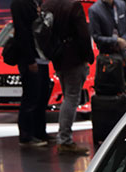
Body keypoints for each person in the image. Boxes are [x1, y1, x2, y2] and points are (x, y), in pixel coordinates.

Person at [44, 0, 94, 155]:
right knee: (71, 98)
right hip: (74, 58)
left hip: (58, 58)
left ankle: (63, 138)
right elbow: (83, 34)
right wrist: (89, 57)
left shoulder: (48, 5)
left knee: (68, 97)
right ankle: (65, 140)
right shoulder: (73, 5)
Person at [11, 0, 51, 147]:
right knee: (31, 96)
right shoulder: (20, 4)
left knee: (42, 96)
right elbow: (22, 33)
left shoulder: (35, 3)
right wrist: (30, 60)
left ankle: (40, 132)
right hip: (30, 57)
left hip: (41, 57)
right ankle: (26, 135)